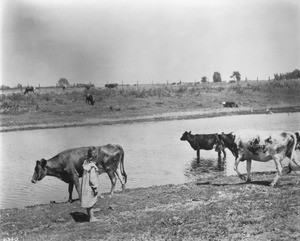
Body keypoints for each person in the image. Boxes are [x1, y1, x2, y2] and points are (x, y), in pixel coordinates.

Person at [81, 147, 100, 222]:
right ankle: (92, 218)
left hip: (85, 186)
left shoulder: (86, 163)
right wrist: (95, 187)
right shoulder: (92, 167)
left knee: (88, 202)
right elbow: (92, 179)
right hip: (90, 187)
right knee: (91, 202)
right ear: (94, 158)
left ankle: (90, 216)